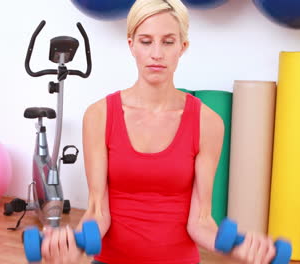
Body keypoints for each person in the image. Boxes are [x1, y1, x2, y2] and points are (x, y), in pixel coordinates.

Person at [41, 0, 276, 263]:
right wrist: (74, 246)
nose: (156, 53)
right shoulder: (99, 115)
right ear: (131, 45)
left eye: (168, 41)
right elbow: (98, 211)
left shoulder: (207, 122)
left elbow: (200, 222)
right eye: (145, 41)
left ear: (182, 47)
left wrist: (237, 246)